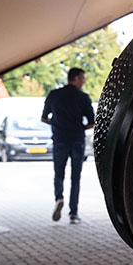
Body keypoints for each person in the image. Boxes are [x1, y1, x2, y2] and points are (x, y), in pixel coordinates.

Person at [42, 67, 95, 224]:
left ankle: (59, 198)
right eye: (83, 78)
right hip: (77, 140)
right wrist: (80, 127)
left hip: (59, 139)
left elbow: (44, 118)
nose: (84, 82)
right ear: (76, 79)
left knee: (59, 174)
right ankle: (73, 213)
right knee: (75, 177)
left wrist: (57, 123)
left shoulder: (54, 95)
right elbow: (92, 122)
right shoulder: (83, 97)